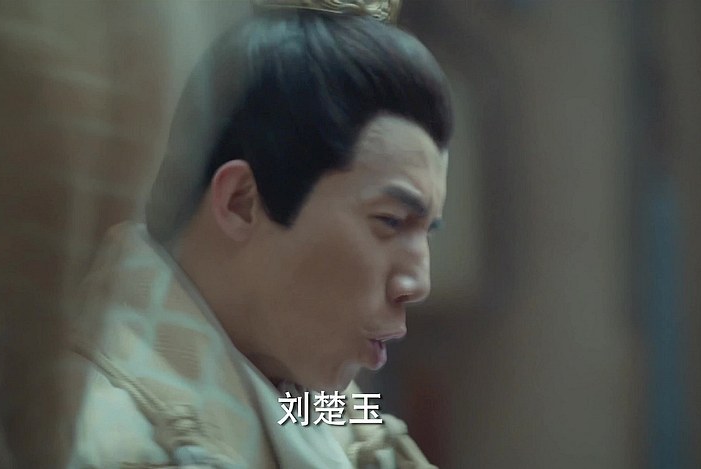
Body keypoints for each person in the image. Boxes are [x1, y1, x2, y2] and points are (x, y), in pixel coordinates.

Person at [64, 0, 453, 467]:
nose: (417, 284)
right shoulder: (94, 436)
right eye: (390, 221)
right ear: (241, 201)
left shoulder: (336, 417)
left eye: (427, 231)